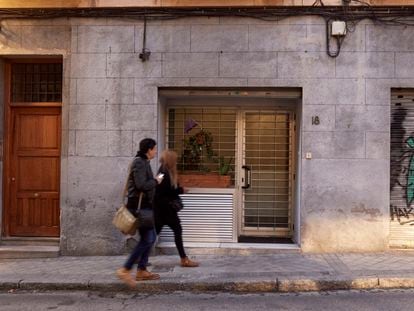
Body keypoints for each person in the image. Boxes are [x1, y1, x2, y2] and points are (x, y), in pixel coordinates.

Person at [116, 138, 164, 288]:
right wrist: (156, 181)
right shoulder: (139, 162)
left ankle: (142, 270)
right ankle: (126, 269)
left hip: (145, 207)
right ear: (148, 150)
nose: (156, 151)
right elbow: (141, 185)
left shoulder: (145, 162)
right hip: (140, 207)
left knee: (149, 238)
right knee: (148, 239)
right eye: (154, 149)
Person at [154, 150, 199, 268]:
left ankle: (139, 257)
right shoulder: (163, 173)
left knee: (153, 234)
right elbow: (163, 191)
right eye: (175, 160)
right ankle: (184, 259)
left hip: (161, 209)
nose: (176, 162)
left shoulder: (163, 171)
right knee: (177, 230)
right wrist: (181, 190)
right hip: (165, 209)